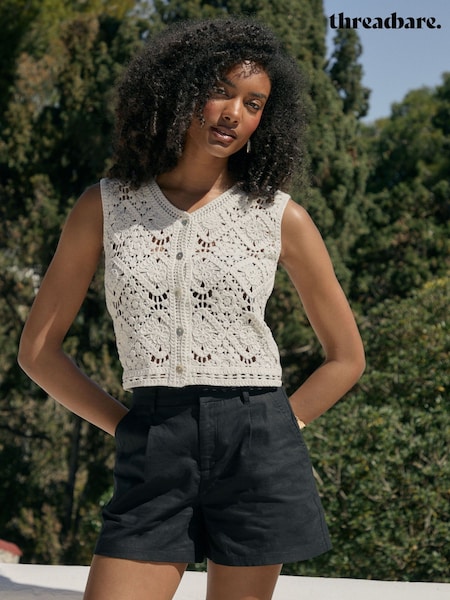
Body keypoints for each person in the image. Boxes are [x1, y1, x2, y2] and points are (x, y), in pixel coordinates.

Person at [18, 16, 365, 600]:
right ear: (180, 91)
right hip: (155, 436)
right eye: (221, 91)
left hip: (259, 443)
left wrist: (282, 426)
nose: (234, 113)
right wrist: (128, 428)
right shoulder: (105, 206)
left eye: (253, 103)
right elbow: (37, 352)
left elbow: (347, 357)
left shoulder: (280, 217)